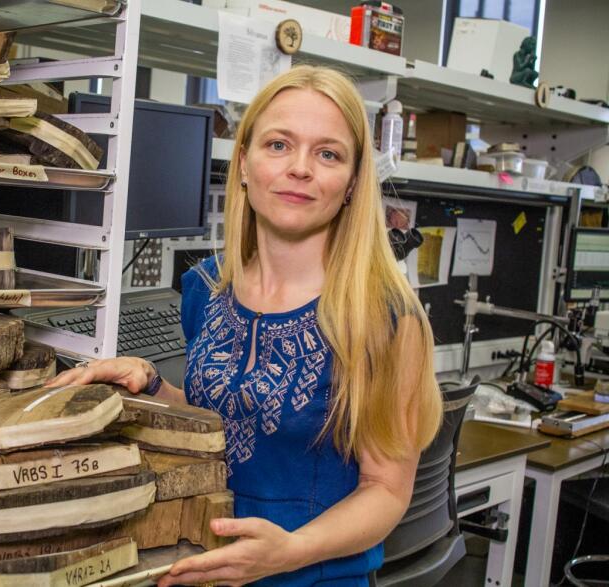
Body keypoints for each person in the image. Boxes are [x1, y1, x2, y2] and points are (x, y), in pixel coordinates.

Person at [47, 65, 443, 586]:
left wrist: (290, 550)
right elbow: (225, 421)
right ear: (242, 163)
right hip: (200, 565)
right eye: (279, 144)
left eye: (328, 153)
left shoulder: (385, 317)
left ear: (350, 183)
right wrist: (152, 386)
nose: (300, 168)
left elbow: (387, 490)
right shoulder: (206, 289)